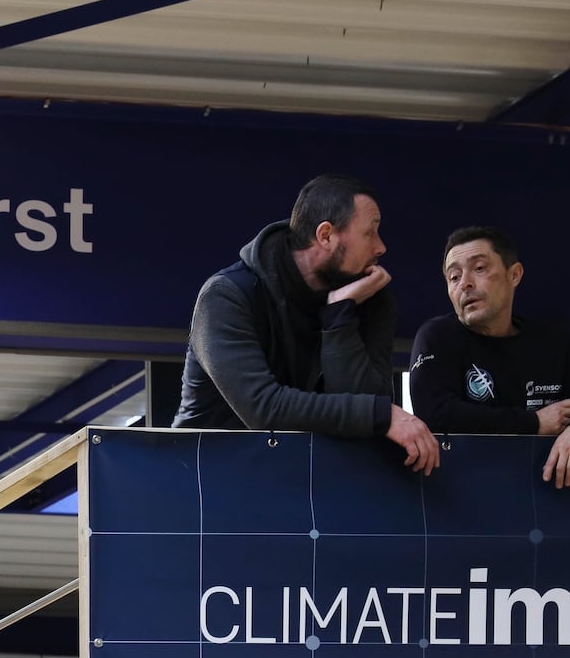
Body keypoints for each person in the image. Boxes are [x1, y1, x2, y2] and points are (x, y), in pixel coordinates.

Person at [173, 173, 440, 476]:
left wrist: (339, 317)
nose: (381, 247)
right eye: (370, 233)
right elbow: (264, 409)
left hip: (305, 486)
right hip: (205, 486)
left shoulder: (370, 299)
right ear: (325, 235)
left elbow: (369, 401)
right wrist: (381, 415)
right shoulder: (227, 296)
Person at [410, 226, 570, 488]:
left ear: (514, 275)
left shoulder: (563, 345)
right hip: (465, 499)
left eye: (479, 268)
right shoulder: (438, 336)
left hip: (555, 498)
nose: (465, 283)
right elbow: (434, 414)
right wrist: (535, 422)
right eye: (454, 277)